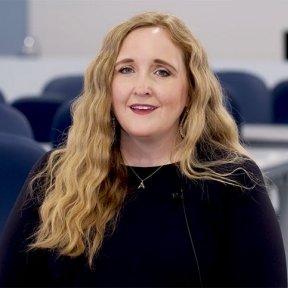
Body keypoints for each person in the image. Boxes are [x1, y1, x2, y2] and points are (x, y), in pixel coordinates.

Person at [0, 11, 286, 287]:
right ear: (107, 86)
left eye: (162, 72)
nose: (142, 86)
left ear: (191, 90)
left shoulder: (233, 182)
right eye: (126, 70)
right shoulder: (56, 173)